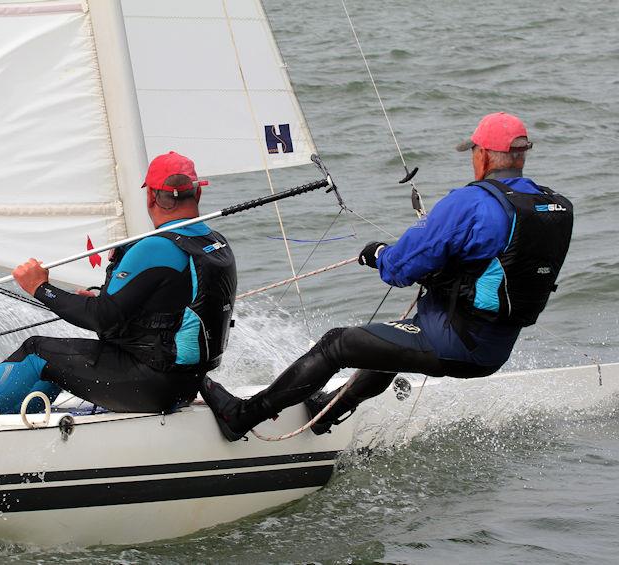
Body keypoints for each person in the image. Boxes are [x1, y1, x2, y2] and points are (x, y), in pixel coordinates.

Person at [201, 112, 574, 441]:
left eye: (474, 152)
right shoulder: (551, 206)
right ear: (520, 156)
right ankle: (327, 413)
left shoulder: (471, 202)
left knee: (337, 344)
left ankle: (243, 416)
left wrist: (377, 254)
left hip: (454, 344)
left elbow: (400, 269)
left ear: (484, 155)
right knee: (396, 335)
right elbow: (494, 264)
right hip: (494, 348)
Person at [0, 151, 237, 414]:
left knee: (35, 351)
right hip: (186, 385)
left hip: (153, 386)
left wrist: (40, 288)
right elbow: (170, 307)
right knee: (64, 360)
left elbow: (101, 318)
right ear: (198, 191)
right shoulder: (215, 243)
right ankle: (14, 421)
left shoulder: (155, 247)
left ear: (151, 196)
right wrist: (99, 301)